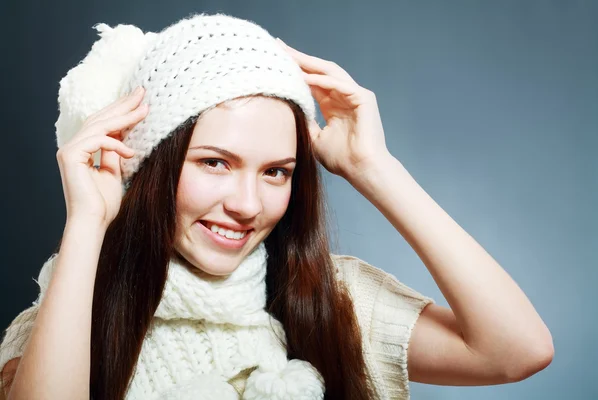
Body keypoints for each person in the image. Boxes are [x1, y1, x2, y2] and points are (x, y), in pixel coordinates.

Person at [0, 12, 553, 400]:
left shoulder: (328, 300)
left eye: (275, 173)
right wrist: (88, 222)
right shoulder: (65, 320)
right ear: (151, 164)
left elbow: (515, 351)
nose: (246, 205)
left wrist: (374, 168)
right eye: (214, 162)